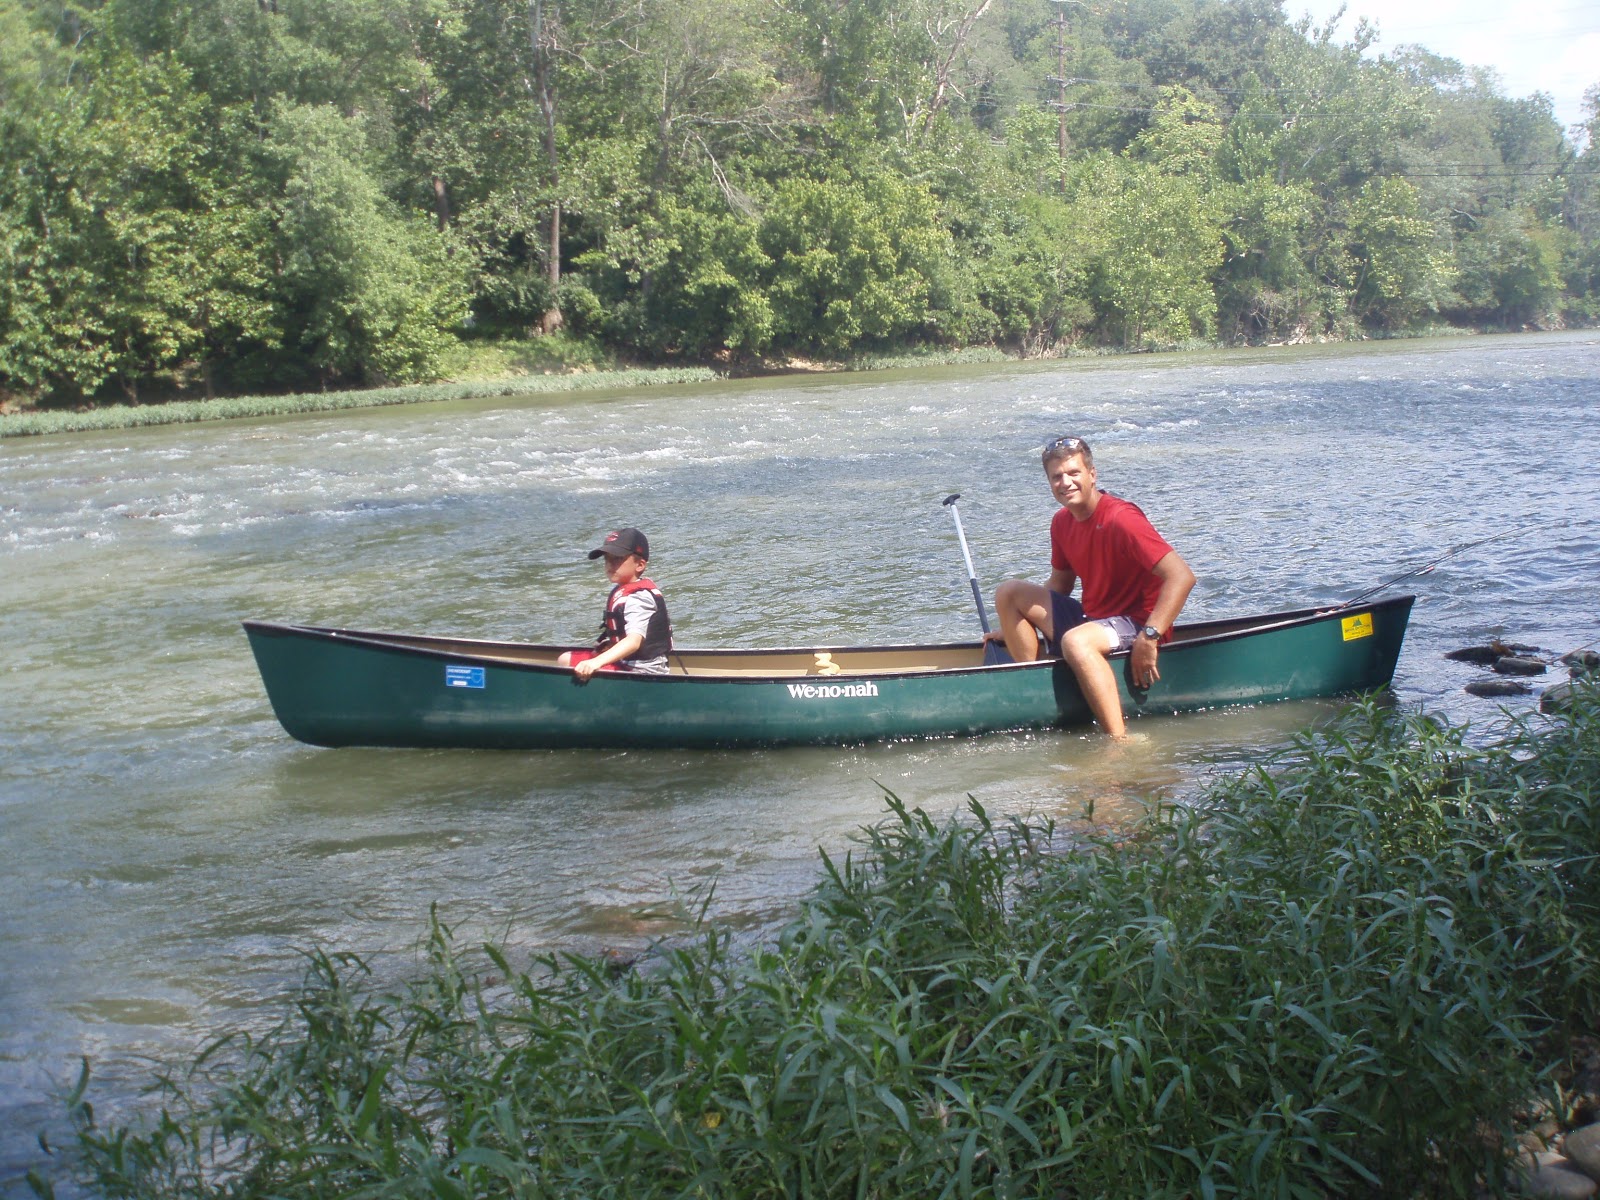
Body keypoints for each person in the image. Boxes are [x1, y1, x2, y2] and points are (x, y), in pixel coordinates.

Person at [991, 435, 1195, 740]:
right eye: (1057, 477)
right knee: (1009, 592)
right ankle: (1033, 691)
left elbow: (1181, 576)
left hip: (1138, 623)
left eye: (1074, 473)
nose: (1066, 483)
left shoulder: (1121, 519)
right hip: (1093, 619)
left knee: (1076, 643)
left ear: (1092, 475)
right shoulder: (1062, 522)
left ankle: (1119, 741)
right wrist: (1012, 626)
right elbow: (1061, 584)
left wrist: (1149, 637)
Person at [557, 527, 673, 679]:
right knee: (566, 658)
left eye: (618, 559)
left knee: (565, 660)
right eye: (607, 559)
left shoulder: (638, 597)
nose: (610, 564)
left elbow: (633, 642)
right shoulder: (623, 592)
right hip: (626, 663)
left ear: (640, 565)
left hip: (642, 672)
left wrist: (595, 662)